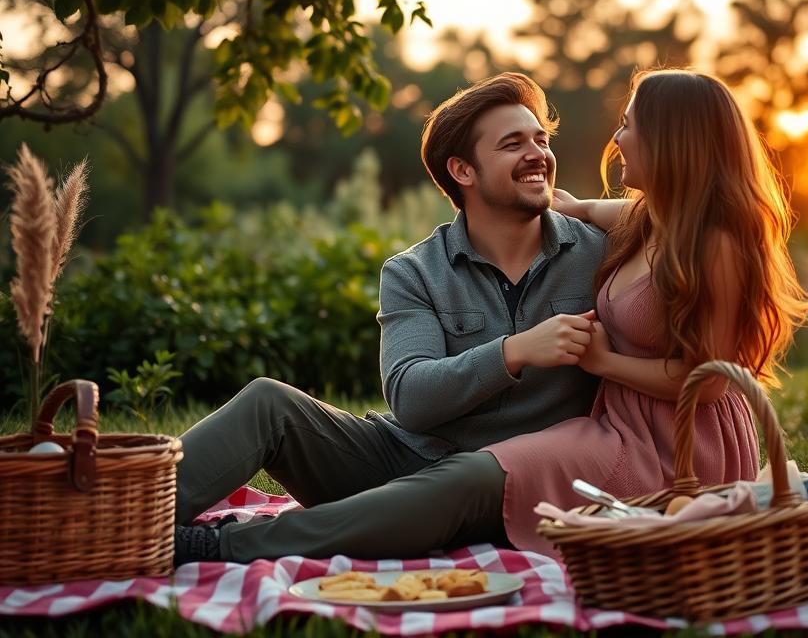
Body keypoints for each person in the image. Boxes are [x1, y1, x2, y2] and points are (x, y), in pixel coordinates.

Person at [173, 72, 607, 565]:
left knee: (460, 481)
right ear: (463, 171)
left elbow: (689, 220)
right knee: (267, 402)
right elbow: (412, 397)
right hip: (405, 458)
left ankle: (215, 547)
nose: (538, 155)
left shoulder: (599, 253)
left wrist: (595, 208)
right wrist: (515, 351)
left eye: (540, 140)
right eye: (513, 144)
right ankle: (115, 514)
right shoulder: (414, 270)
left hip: (508, 480)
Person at [481, 68, 808, 554]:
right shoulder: (654, 220)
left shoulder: (717, 245)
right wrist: (562, 206)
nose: (617, 139)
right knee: (500, 472)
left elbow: (710, 381)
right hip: (623, 425)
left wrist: (602, 363)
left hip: (684, 447)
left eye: (629, 125)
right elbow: (598, 211)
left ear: (669, 141)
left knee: (503, 472)